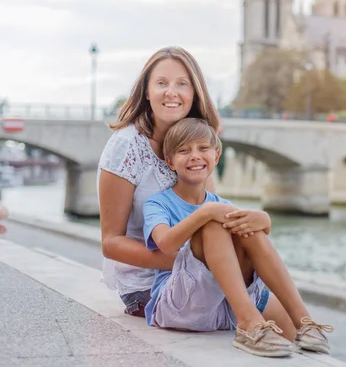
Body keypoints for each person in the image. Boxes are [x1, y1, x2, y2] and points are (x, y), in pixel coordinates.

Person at [143, 118, 333, 358]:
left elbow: (249, 247)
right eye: (184, 150)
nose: (195, 156)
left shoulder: (222, 206)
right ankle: (249, 324)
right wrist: (206, 213)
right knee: (213, 225)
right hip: (180, 305)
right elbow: (166, 244)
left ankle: (304, 322)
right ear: (170, 162)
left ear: (216, 156)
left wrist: (265, 220)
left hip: (224, 304)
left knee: (246, 224)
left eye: (203, 148)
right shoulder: (158, 203)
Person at [97, 46, 222, 317]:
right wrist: (189, 265)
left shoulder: (196, 145)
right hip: (146, 286)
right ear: (146, 92)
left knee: (263, 294)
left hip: (196, 269)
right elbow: (111, 242)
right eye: (162, 83)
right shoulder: (127, 146)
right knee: (254, 301)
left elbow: (209, 216)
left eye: (182, 84)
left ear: (194, 93)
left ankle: (303, 327)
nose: (171, 92)